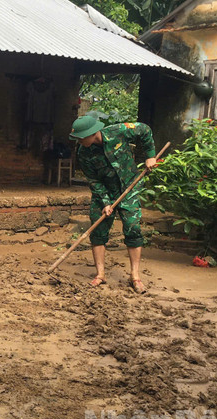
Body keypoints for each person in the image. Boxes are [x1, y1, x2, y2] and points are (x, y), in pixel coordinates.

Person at [69, 116, 158, 293]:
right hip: (104, 192)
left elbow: (145, 129)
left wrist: (150, 156)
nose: (78, 141)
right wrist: (106, 202)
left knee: (133, 229)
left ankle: (135, 276)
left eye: (81, 137)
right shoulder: (83, 153)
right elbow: (93, 180)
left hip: (129, 187)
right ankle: (100, 275)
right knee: (98, 230)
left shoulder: (119, 131)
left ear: (92, 133)